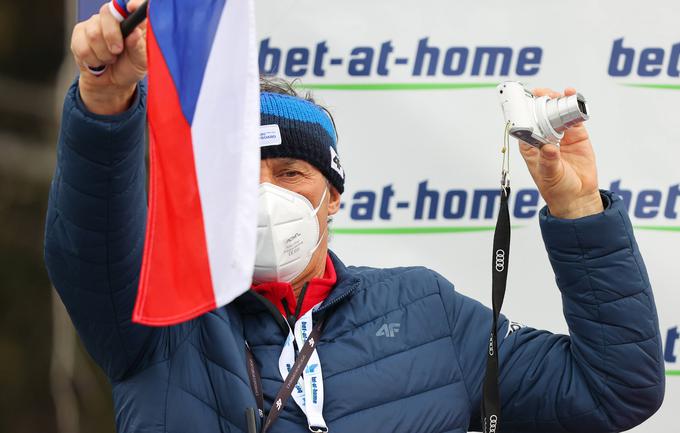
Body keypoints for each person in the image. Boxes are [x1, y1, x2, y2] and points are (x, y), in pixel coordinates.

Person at [45, 1, 665, 432]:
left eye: (291, 174)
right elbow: (90, 248)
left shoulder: (426, 312)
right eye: (240, 177)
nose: (266, 195)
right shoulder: (165, 313)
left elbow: (614, 388)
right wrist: (105, 100)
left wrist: (577, 205)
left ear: (333, 196)